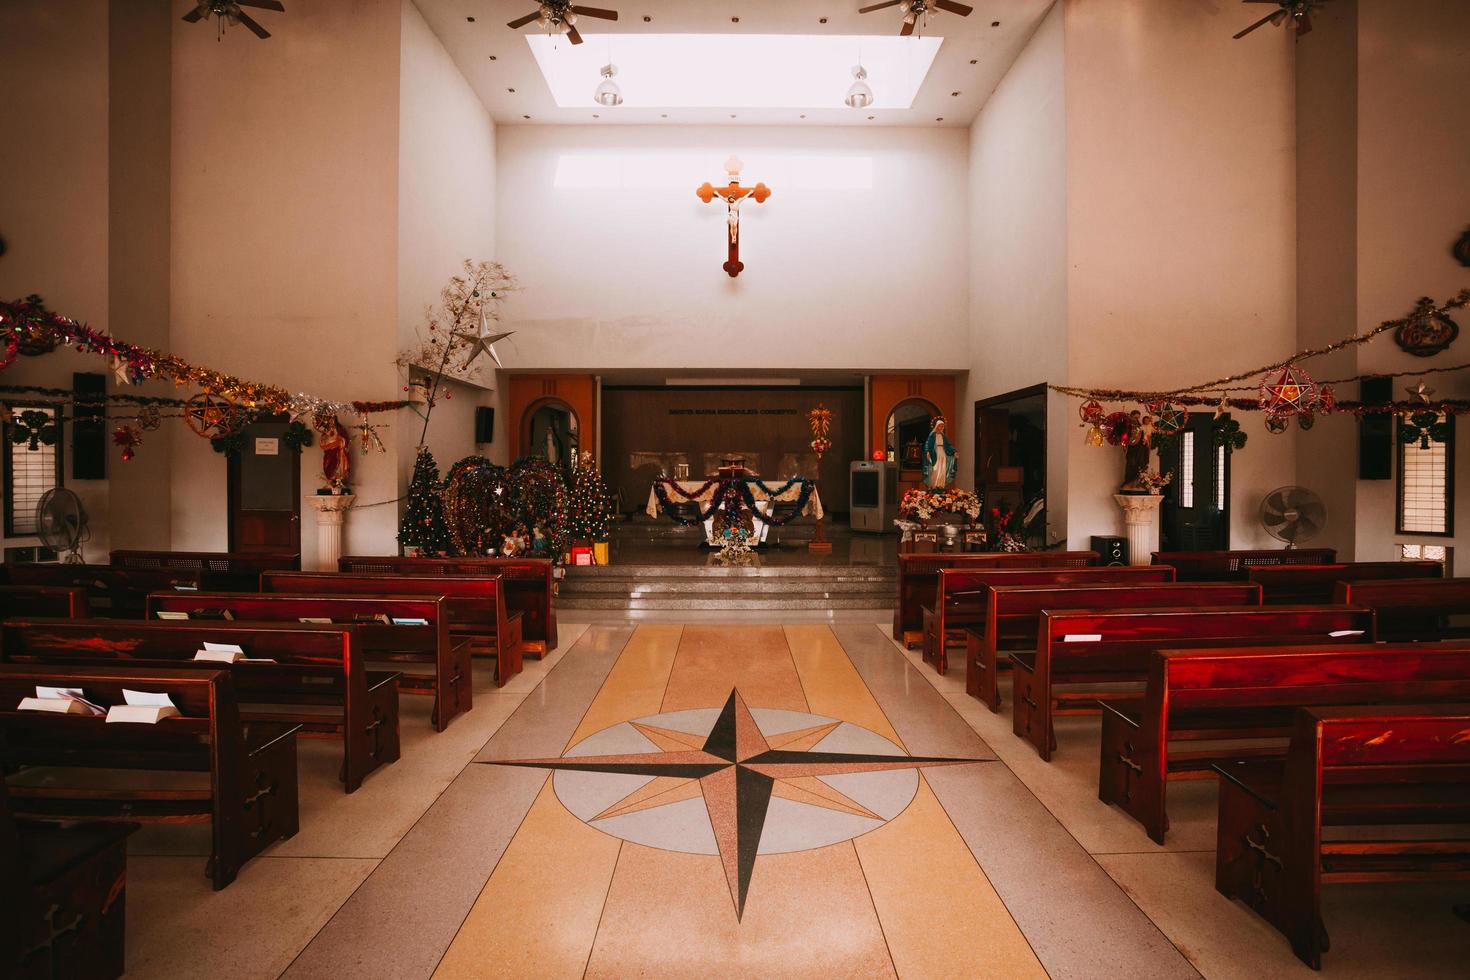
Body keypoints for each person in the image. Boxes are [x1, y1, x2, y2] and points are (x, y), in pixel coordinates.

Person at [923, 417, 957, 488]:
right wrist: (927, 451)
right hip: (935, 453)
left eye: (943, 426)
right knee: (935, 469)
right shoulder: (932, 435)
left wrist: (954, 452)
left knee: (942, 469)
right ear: (937, 426)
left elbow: (948, 445)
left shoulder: (943, 436)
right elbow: (927, 444)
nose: (942, 427)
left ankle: (941, 486)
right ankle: (934, 486)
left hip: (942, 453)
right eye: (940, 426)